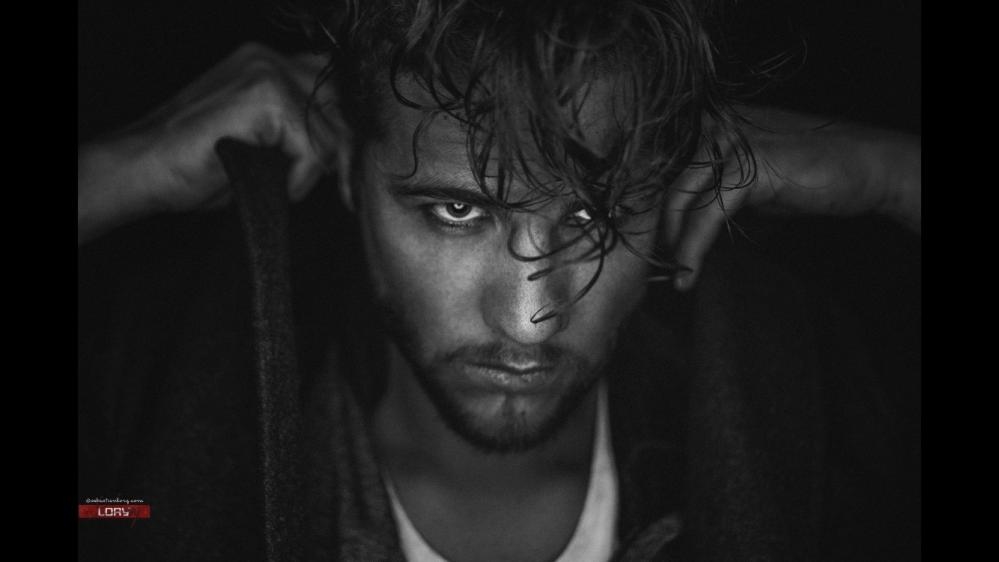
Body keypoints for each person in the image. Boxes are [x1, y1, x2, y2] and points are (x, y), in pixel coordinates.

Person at [78, 0, 920, 560]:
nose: (527, 317)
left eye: (591, 217)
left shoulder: (824, 425)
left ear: (668, 193)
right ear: (349, 175)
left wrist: (889, 173)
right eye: (456, 212)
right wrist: (121, 169)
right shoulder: (137, 474)